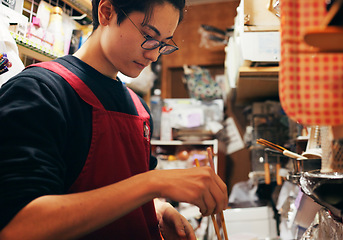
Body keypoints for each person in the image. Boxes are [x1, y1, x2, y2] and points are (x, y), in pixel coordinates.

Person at [0, 0, 228, 239]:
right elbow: (19, 227)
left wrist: (159, 209)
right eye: (149, 35)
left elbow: (120, 192)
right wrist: (153, 183)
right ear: (107, 12)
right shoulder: (40, 92)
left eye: (163, 44)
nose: (153, 55)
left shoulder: (138, 108)